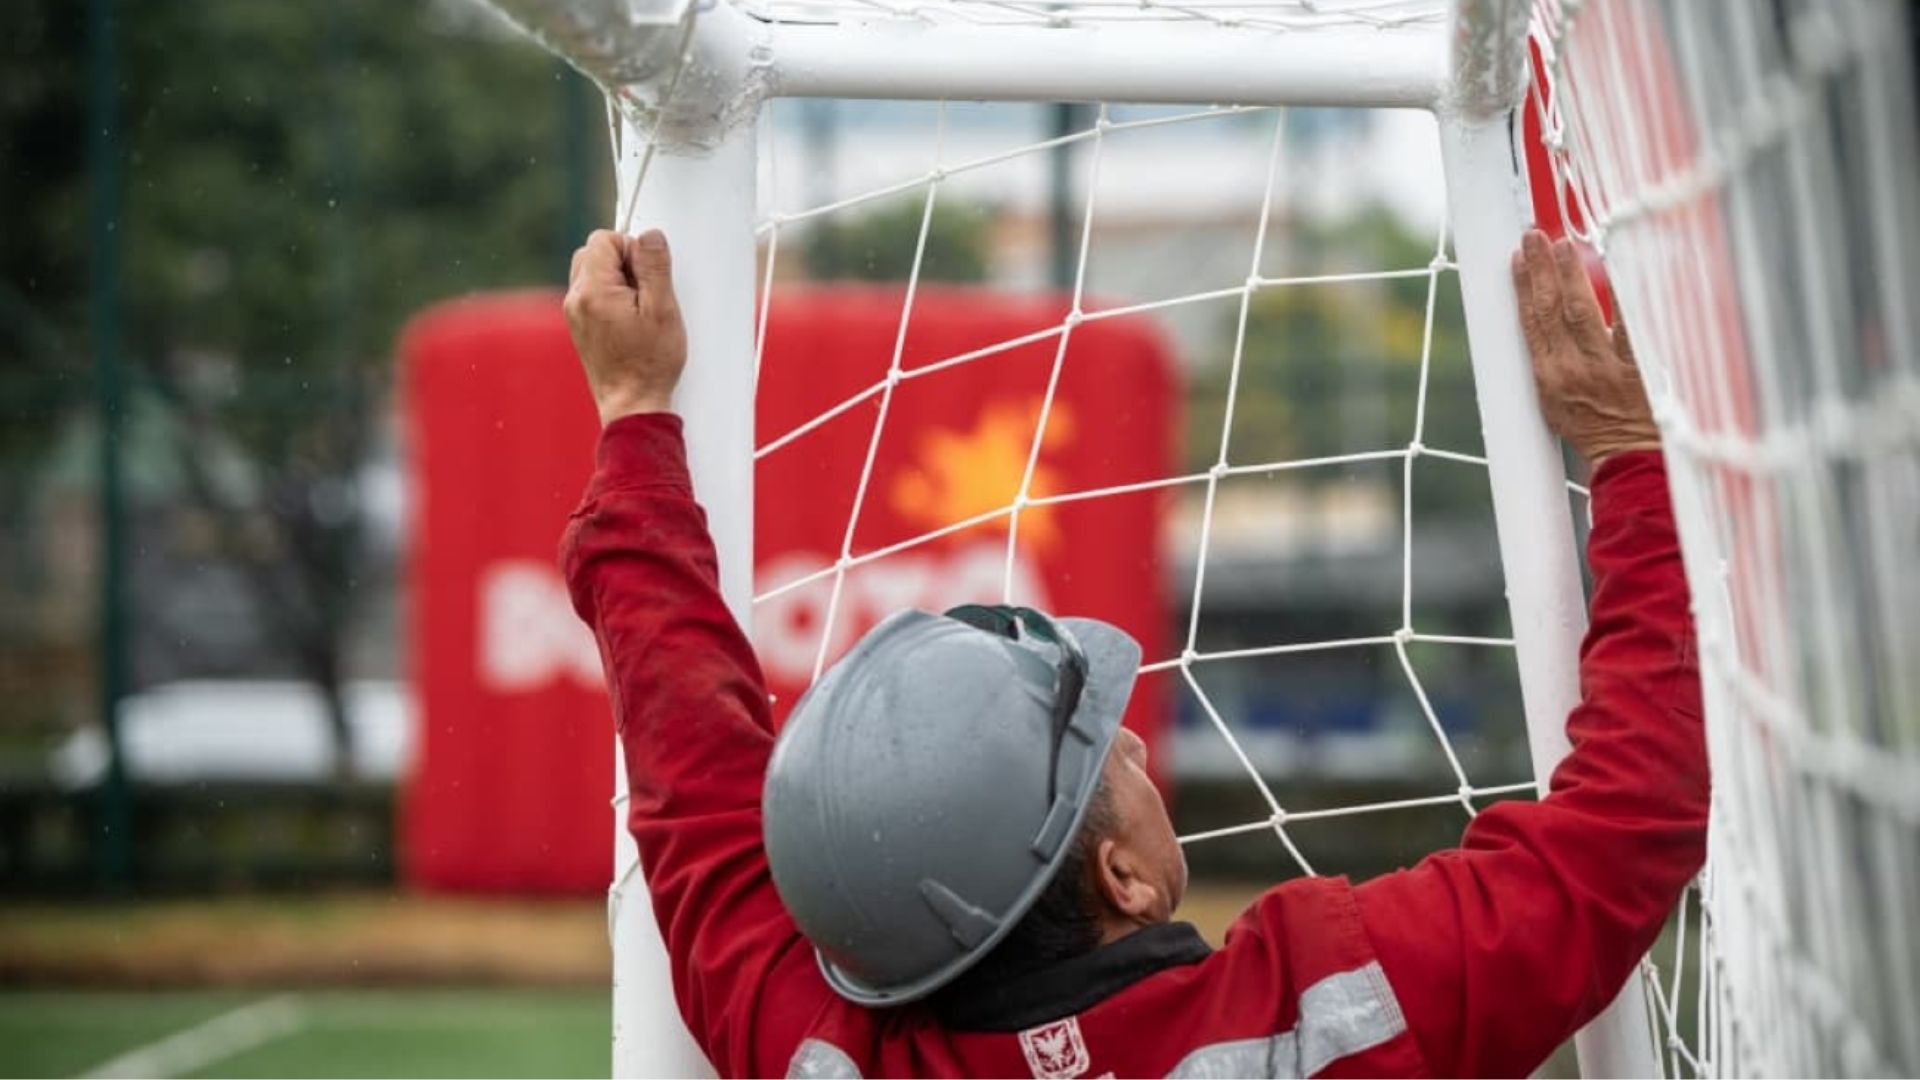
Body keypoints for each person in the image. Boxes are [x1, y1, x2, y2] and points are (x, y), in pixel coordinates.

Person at [559, 226, 1704, 1078]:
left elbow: (689, 764)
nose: (1143, 762)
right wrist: (1628, 456)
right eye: (1115, 757)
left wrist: (630, 407)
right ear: (1126, 879)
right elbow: (1626, 829)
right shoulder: (1332, 1006)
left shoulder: (818, 1052)